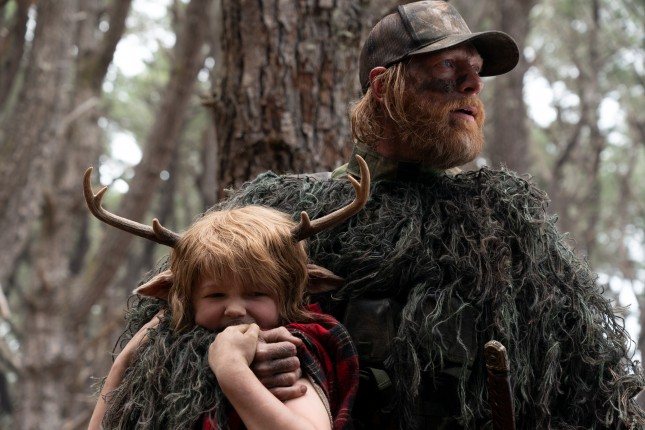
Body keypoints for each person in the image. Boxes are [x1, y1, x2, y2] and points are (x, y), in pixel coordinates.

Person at [111, 1, 645, 429]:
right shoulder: (278, 213)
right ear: (384, 85)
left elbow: (589, 386)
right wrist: (242, 352)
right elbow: (164, 341)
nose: (472, 86)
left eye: (476, 72)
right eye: (448, 67)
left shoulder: (507, 226)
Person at [85, 160, 370, 429]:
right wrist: (126, 360)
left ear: (293, 292)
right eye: (215, 295)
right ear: (178, 296)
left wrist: (231, 370)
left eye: (256, 293)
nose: (234, 309)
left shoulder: (285, 349)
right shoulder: (168, 356)